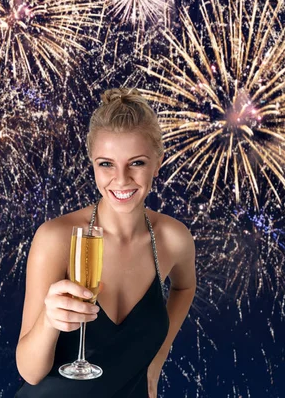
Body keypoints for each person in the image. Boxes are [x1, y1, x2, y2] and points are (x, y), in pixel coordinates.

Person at [14, 88, 197, 397]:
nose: (121, 179)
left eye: (136, 163)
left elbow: (185, 287)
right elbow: (30, 373)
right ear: (93, 164)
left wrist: (158, 356)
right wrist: (49, 319)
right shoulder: (57, 238)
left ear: (158, 162)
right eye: (106, 164)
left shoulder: (173, 239)